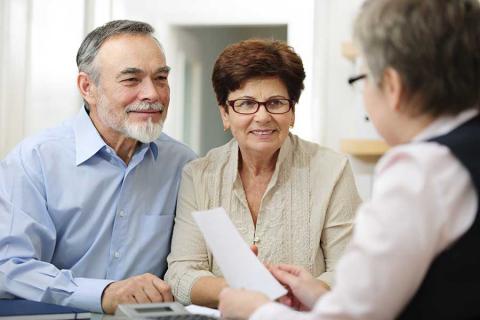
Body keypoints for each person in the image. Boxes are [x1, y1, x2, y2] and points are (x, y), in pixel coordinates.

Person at [218, 0, 480, 319]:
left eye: (362, 79)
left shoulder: (421, 171)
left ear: (393, 87)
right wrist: (321, 297)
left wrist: (255, 312)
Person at [0, 20, 196, 314]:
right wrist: (104, 293)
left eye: (160, 78)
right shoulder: (35, 160)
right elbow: (9, 267)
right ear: (87, 87)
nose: (153, 95)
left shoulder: (183, 164)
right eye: (132, 80)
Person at [164, 39, 361, 308]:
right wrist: (239, 289)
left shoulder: (332, 170)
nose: (262, 116)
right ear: (225, 114)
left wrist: (306, 291)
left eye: (276, 102)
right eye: (246, 104)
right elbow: (180, 274)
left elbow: (350, 271)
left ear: (292, 112)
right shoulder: (198, 175)